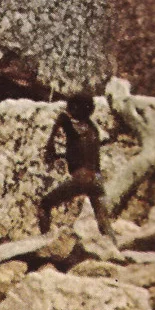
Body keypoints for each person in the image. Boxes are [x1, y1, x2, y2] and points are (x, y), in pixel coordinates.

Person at [39, 93, 113, 237]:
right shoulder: (93, 129)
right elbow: (79, 153)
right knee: (103, 218)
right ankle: (114, 247)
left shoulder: (71, 125)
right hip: (97, 179)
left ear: (76, 107)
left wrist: (50, 144)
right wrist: (60, 156)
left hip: (82, 177)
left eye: (71, 107)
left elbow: (62, 118)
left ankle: (44, 242)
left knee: (44, 205)